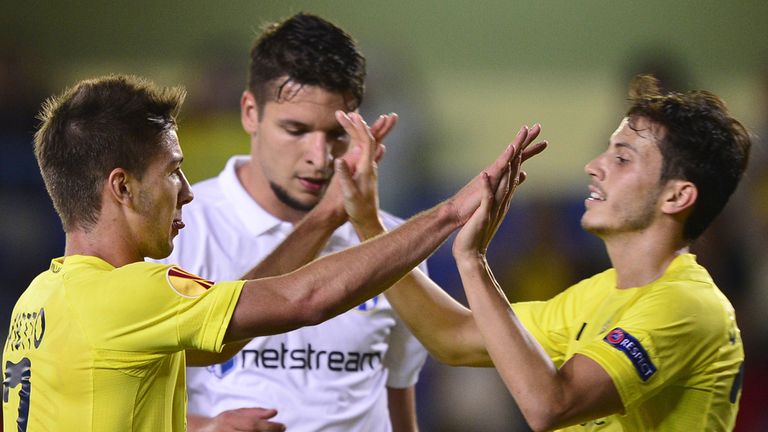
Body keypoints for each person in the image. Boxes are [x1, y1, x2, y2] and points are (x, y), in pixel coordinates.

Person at [0, 74, 543, 431]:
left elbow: (222, 339)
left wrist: (329, 214)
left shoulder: (40, 299)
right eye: (171, 171)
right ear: (122, 187)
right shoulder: (132, 294)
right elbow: (304, 299)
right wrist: (451, 214)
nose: (187, 189)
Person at [347, 75, 749, 431]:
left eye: (622, 158)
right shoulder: (591, 296)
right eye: (606, 151)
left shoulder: (686, 304)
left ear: (677, 196)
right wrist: (368, 221)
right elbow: (451, 337)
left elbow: (551, 406)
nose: (594, 166)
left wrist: (472, 261)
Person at [157, 13, 427, 432]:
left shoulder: (392, 244)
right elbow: (128, 406)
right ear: (250, 112)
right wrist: (202, 429)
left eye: (336, 135)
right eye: (296, 130)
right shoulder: (176, 233)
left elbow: (398, 397)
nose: (319, 158)